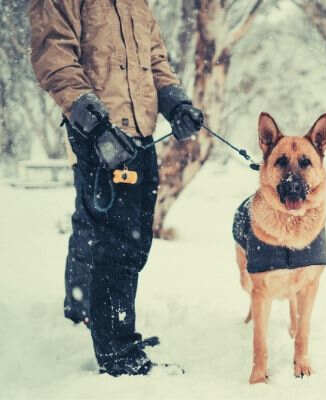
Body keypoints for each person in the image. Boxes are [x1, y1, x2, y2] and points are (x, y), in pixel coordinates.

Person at [29, 0, 204, 376]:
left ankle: (92, 313)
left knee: (135, 237)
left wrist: (175, 103)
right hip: (98, 130)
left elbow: (155, 60)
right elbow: (53, 53)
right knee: (115, 242)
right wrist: (89, 117)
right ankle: (117, 353)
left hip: (140, 132)